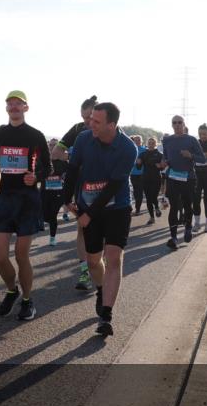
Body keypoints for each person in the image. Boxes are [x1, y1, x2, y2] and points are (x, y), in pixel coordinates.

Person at [61, 102, 137, 337]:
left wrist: (88, 215)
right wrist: (66, 198)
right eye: (90, 119)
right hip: (86, 203)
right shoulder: (84, 139)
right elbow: (73, 169)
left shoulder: (128, 148)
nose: (89, 123)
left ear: (111, 125)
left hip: (117, 206)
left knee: (113, 257)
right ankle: (101, 289)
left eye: (96, 121)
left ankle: (106, 315)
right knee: (94, 261)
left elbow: (113, 186)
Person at [0, 90, 49, 321]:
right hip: (4, 198)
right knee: (1, 257)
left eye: (18, 104)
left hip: (27, 200)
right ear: (6, 108)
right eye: (10, 104)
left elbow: (48, 168)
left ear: (26, 108)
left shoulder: (36, 135)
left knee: (21, 255)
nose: (14, 107)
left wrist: (36, 177)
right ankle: (11, 290)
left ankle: (27, 300)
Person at [53, 94, 99, 291]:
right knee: (82, 228)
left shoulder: (110, 129)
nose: (86, 121)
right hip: (81, 187)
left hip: (104, 189)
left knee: (100, 232)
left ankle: (97, 267)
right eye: (83, 117)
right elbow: (56, 152)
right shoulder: (78, 130)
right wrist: (74, 158)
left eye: (90, 117)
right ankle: (84, 271)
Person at [161, 116, 206, 250]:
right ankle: (174, 237)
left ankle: (188, 227)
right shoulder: (167, 140)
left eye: (179, 122)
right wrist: (164, 162)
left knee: (187, 205)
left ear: (184, 124)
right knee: (174, 207)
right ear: (171, 125)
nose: (177, 125)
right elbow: (166, 157)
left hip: (188, 178)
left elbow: (202, 159)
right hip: (173, 177)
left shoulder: (191, 140)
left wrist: (190, 155)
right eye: (174, 123)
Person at [43, 137, 67, 245]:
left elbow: (71, 175)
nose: (52, 147)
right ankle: (47, 221)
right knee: (45, 215)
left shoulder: (63, 162)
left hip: (58, 193)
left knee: (52, 215)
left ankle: (52, 237)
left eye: (54, 145)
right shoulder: (44, 160)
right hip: (45, 192)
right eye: (51, 145)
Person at [140, 137, 165, 224]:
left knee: (153, 196)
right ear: (147, 143)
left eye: (152, 143)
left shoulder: (160, 154)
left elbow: (163, 168)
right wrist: (138, 162)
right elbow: (139, 166)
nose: (150, 144)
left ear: (155, 144)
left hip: (156, 178)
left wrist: (161, 166)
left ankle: (157, 207)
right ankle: (152, 217)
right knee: (148, 199)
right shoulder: (143, 154)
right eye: (149, 143)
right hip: (145, 178)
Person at [129, 135, 147, 216]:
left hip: (142, 174)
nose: (137, 141)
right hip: (132, 174)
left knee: (139, 192)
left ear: (141, 141)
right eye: (136, 140)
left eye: (139, 140)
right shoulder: (131, 149)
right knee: (135, 192)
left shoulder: (145, 150)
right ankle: (136, 207)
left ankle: (138, 209)